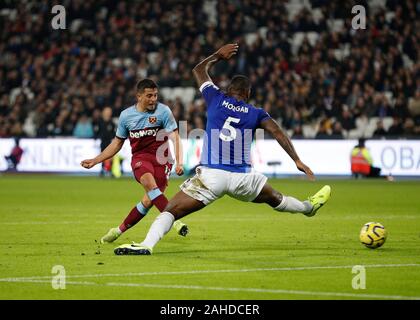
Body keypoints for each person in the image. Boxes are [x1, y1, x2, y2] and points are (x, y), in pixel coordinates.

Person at [113, 44, 331, 256]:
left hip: (212, 176)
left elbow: (198, 70)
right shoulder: (256, 112)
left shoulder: (216, 98)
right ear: (248, 93)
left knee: (170, 210)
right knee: (276, 198)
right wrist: (297, 160)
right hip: (243, 177)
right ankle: (307, 207)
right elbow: (278, 133)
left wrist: (217, 55)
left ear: (229, 90)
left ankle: (146, 245)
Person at [80, 79, 189, 243]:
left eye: (155, 95)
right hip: (141, 159)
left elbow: (175, 137)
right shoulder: (126, 116)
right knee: (149, 183)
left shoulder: (163, 111)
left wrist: (180, 162)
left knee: (149, 200)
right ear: (139, 96)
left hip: (163, 160)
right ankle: (175, 220)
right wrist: (96, 160)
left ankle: (118, 230)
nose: (153, 99)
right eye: (149, 96)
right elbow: (117, 143)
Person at [96, 107, 117, 177]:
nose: (108, 113)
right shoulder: (100, 122)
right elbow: (97, 132)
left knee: (111, 156)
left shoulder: (112, 123)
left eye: (109, 112)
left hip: (110, 142)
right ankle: (102, 170)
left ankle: (110, 171)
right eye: (107, 111)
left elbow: (114, 133)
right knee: (102, 156)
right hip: (103, 142)